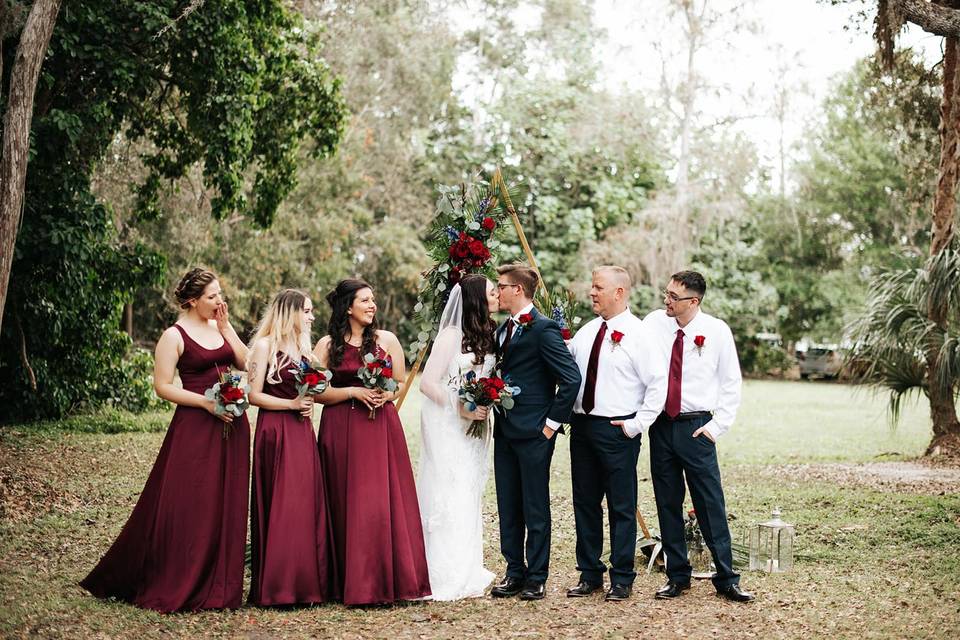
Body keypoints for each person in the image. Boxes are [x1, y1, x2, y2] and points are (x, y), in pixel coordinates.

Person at [80, 268, 250, 612]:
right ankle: (181, 577)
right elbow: (163, 386)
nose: (220, 301)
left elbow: (246, 363)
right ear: (191, 301)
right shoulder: (173, 335)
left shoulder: (220, 326)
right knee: (190, 502)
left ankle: (220, 586)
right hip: (196, 425)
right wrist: (206, 402)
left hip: (233, 424)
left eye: (220, 293)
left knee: (227, 501)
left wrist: (227, 326)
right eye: (212, 296)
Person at [312, 278, 431, 605]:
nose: (371, 305)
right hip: (340, 428)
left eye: (373, 300)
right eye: (364, 300)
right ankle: (348, 581)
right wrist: (352, 391)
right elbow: (314, 391)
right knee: (344, 499)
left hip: (379, 427)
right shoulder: (326, 345)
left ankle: (386, 580)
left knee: (378, 503)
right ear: (347, 307)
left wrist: (384, 395)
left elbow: (399, 384)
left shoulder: (387, 340)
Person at [644, 270, 754, 603]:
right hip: (661, 425)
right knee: (667, 501)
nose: (666, 300)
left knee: (709, 503)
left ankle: (726, 577)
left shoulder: (717, 331)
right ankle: (677, 576)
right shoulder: (653, 324)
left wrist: (715, 428)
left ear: (694, 301)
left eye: (674, 297)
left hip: (697, 428)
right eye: (666, 293)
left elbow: (732, 383)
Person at [565, 266, 667, 602]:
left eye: (598, 287)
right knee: (585, 502)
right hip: (582, 427)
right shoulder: (586, 332)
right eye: (592, 287)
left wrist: (637, 424)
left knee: (622, 506)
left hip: (618, 430)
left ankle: (622, 578)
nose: (591, 293)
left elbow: (658, 385)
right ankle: (589, 573)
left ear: (619, 293)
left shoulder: (640, 335)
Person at [490, 264, 581, 601]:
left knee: (535, 505)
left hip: (535, 433)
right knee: (508, 503)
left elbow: (570, 379)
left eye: (501, 286)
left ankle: (537, 576)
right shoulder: (503, 330)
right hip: (505, 431)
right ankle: (514, 571)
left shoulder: (544, 329)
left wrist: (551, 425)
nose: (497, 291)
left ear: (518, 290)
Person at [246, 289, 337, 606]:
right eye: (307, 311)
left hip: (302, 431)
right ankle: (277, 586)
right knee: (281, 504)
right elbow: (252, 395)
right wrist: (291, 403)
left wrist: (312, 395)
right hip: (275, 430)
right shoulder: (264, 346)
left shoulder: (303, 349)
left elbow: (316, 388)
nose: (312, 316)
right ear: (291, 312)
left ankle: (305, 584)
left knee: (303, 503)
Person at [417, 274, 500, 600]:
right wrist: (460, 406)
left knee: (468, 490)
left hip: (476, 427)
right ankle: (442, 571)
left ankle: (466, 567)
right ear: (478, 298)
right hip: (449, 425)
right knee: (448, 489)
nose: (497, 297)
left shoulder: (487, 335)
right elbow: (427, 383)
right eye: (492, 293)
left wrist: (481, 404)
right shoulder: (451, 336)